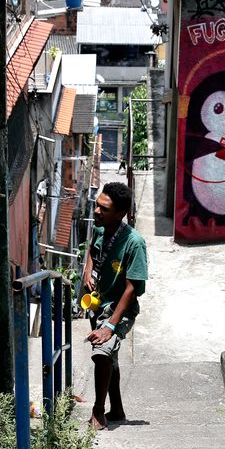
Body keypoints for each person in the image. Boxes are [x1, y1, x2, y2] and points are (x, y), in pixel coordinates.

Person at [82, 182, 147, 431]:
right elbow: (91, 249)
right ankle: (117, 408)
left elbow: (132, 289)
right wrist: (87, 272)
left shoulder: (134, 243)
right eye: (96, 206)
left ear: (120, 214)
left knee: (102, 352)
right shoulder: (100, 229)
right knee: (111, 359)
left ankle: (98, 410)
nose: (97, 212)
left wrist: (110, 325)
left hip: (121, 309)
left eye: (104, 209)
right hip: (99, 304)